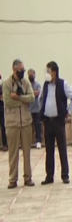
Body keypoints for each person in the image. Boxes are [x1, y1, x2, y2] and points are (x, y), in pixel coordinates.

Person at [39, 61, 72, 184]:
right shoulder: (45, 85)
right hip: (48, 121)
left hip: (58, 121)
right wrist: (42, 111)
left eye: (49, 71)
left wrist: (69, 111)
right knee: (49, 150)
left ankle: (65, 174)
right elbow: (40, 99)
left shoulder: (62, 84)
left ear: (54, 72)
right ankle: (49, 175)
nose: (47, 74)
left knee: (62, 148)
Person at [3, 60, 35, 188]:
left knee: (27, 152)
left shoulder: (26, 82)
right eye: (21, 70)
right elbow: (7, 101)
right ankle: (12, 179)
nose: (23, 72)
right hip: (12, 123)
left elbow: (32, 98)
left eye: (24, 70)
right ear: (14, 70)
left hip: (26, 121)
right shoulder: (6, 83)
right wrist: (23, 101)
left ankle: (28, 177)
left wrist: (18, 97)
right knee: (13, 153)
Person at [27, 69, 42, 149]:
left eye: (32, 74)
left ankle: (38, 141)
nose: (30, 76)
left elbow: (37, 93)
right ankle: (27, 142)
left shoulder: (38, 85)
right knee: (28, 128)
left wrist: (30, 94)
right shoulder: (26, 85)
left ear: (34, 75)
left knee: (37, 126)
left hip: (36, 109)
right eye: (29, 75)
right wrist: (32, 94)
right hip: (28, 110)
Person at [0, 72, 7, 152]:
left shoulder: (3, 86)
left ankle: (5, 144)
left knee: (3, 127)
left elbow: (3, 97)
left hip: (2, 109)